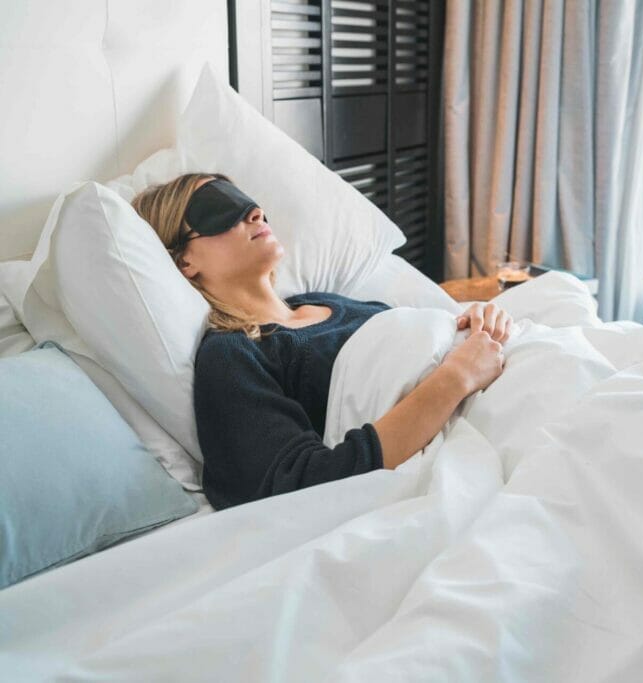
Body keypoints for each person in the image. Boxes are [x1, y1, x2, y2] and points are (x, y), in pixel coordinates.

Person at [131, 173, 513, 510]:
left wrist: (475, 322)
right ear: (184, 262)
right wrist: (456, 378)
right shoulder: (233, 355)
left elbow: (412, 344)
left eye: (246, 201)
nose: (255, 213)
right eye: (216, 207)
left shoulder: (327, 301)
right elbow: (298, 486)